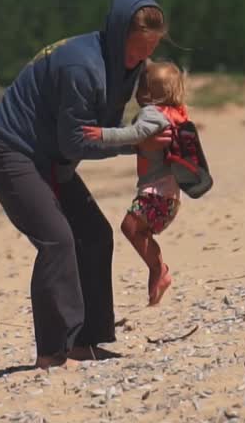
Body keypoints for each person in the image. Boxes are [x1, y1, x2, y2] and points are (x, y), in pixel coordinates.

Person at [0, 0, 170, 369]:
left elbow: (106, 130)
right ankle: (52, 353)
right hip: (7, 150)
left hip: (50, 157)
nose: (141, 59)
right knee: (57, 240)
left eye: (149, 51)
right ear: (116, 35)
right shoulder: (81, 66)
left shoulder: (123, 65)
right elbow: (78, 140)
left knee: (94, 234)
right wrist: (137, 144)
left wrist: (155, 137)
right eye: (135, 51)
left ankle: (85, 342)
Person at [81, 60, 190, 306]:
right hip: (168, 195)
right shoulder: (174, 113)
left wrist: (103, 135)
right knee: (136, 230)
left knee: (131, 228)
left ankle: (158, 270)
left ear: (145, 92)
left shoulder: (152, 114)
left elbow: (134, 134)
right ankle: (158, 270)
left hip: (157, 193)